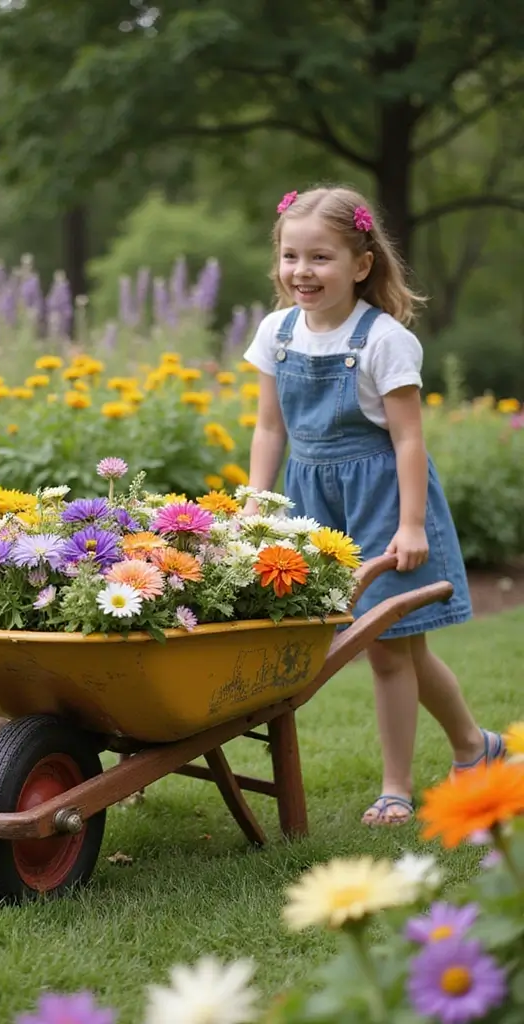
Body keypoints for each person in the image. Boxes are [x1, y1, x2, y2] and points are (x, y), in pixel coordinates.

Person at [243, 184, 505, 825]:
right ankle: (477, 747)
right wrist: (257, 501)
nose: (302, 272)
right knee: (404, 649)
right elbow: (270, 428)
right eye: (291, 256)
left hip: (382, 503)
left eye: (321, 258)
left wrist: (411, 523)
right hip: (311, 501)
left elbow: (409, 438)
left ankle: (395, 785)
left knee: (388, 647)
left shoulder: (383, 339)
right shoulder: (276, 332)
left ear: (361, 264)